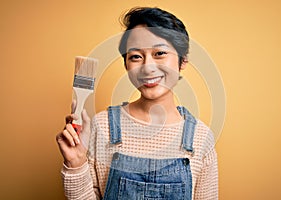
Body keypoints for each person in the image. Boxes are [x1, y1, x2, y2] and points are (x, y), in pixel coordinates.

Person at [56, 7, 218, 200]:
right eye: (135, 56)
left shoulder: (201, 138)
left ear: (183, 61)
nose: (148, 67)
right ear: (126, 64)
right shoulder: (101, 127)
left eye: (159, 53)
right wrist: (75, 163)